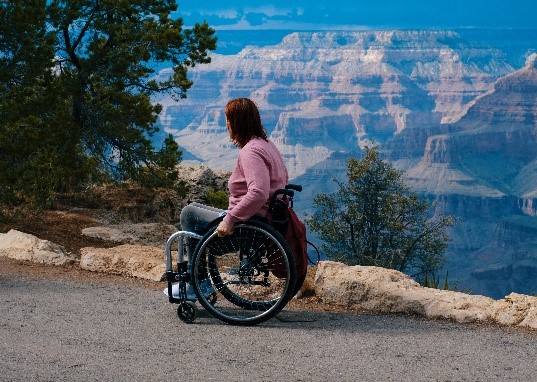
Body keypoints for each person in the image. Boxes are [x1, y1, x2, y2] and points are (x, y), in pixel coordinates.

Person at [168, 97, 289, 300]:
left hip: (249, 223)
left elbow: (258, 192)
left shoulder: (251, 152)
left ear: (237, 123)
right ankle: (198, 279)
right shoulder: (267, 145)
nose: (226, 126)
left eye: (227, 120)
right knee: (196, 209)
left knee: (189, 213)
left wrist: (230, 219)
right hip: (262, 218)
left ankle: (196, 282)